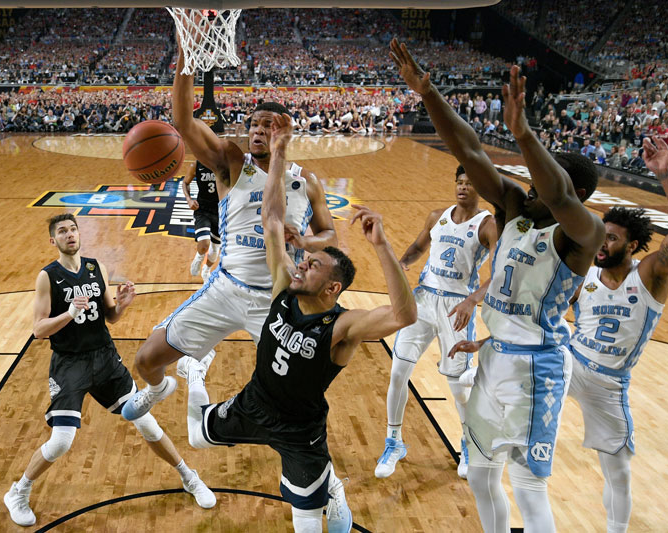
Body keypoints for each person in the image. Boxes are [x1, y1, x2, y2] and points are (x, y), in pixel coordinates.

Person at [391, 39, 603, 533]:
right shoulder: (512, 208)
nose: (531, 184)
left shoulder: (581, 233)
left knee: (527, 486)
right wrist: (428, 94)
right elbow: (468, 150)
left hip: (538, 368)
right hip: (496, 357)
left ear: (575, 193)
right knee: (483, 476)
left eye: (543, 177)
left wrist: (524, 134)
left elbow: (558, 194)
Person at [185, 113, 417, 533]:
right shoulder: (282, 288)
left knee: (307, 524)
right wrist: (277, 155)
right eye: (305, 260)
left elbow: (403, 316)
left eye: (312, 265)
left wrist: (382, 246)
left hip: (300, 431)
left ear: (332, 288)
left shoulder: (342, 328)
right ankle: (196, 372)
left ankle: (330, 486)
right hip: (253, 405)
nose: (302, 263)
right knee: (197, 437)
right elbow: (272, 220)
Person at [120, 40, 337, 422]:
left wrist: (306, 241)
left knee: (299, 396)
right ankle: (157, 389)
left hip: (277, 299)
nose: (258, 131)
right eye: (254, 124)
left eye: (268, 125)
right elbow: (184, 122)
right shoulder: (233, 163)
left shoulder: (307, 182)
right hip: (226, 287)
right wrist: (186, 56)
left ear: (285, 132)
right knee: (146, 359)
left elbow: (330, 236)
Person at [3, 214, 215, 527]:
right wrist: (69, 314)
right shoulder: (47, 277)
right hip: (69, 364)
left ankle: (188, 476)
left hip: (104, 358)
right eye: (62, 231)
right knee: (61, 441)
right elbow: (39, 330)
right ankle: (18, 492)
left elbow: (110, 316)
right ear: (53, 240)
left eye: (73, 229)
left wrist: (122, 305)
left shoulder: (96, 268)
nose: (70, 234)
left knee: (147, 423)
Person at [566, 137, 668, 533]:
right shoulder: (586, 272)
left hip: (609, 383)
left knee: (618, 471)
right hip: (570, 361)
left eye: (612, 238)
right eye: (602, 235)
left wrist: (665, 174)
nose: (602, 242)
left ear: (633, 245)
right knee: (497, 379)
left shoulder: (650, 274)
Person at [374, 164, 498, 480]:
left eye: (470, 183)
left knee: (458, 386)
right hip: (423, 300)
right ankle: (393, 442)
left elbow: (500, 274)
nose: (463, 187)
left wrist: (472, 300)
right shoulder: (437, 216)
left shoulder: (487, 225)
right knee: (398, 371)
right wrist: (401, 263)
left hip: (457, 307)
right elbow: (418, 247)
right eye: (459, 181)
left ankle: (469, 444)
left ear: (480, 188)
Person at [182, 159, 220, 282]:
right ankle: (199, 258)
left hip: (220, 210)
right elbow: (185, 182)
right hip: (202, 209)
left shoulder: (225, 163)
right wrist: (189, 199)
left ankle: (206, 270)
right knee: (204, 244)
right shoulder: (197, 165)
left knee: (215, 249)